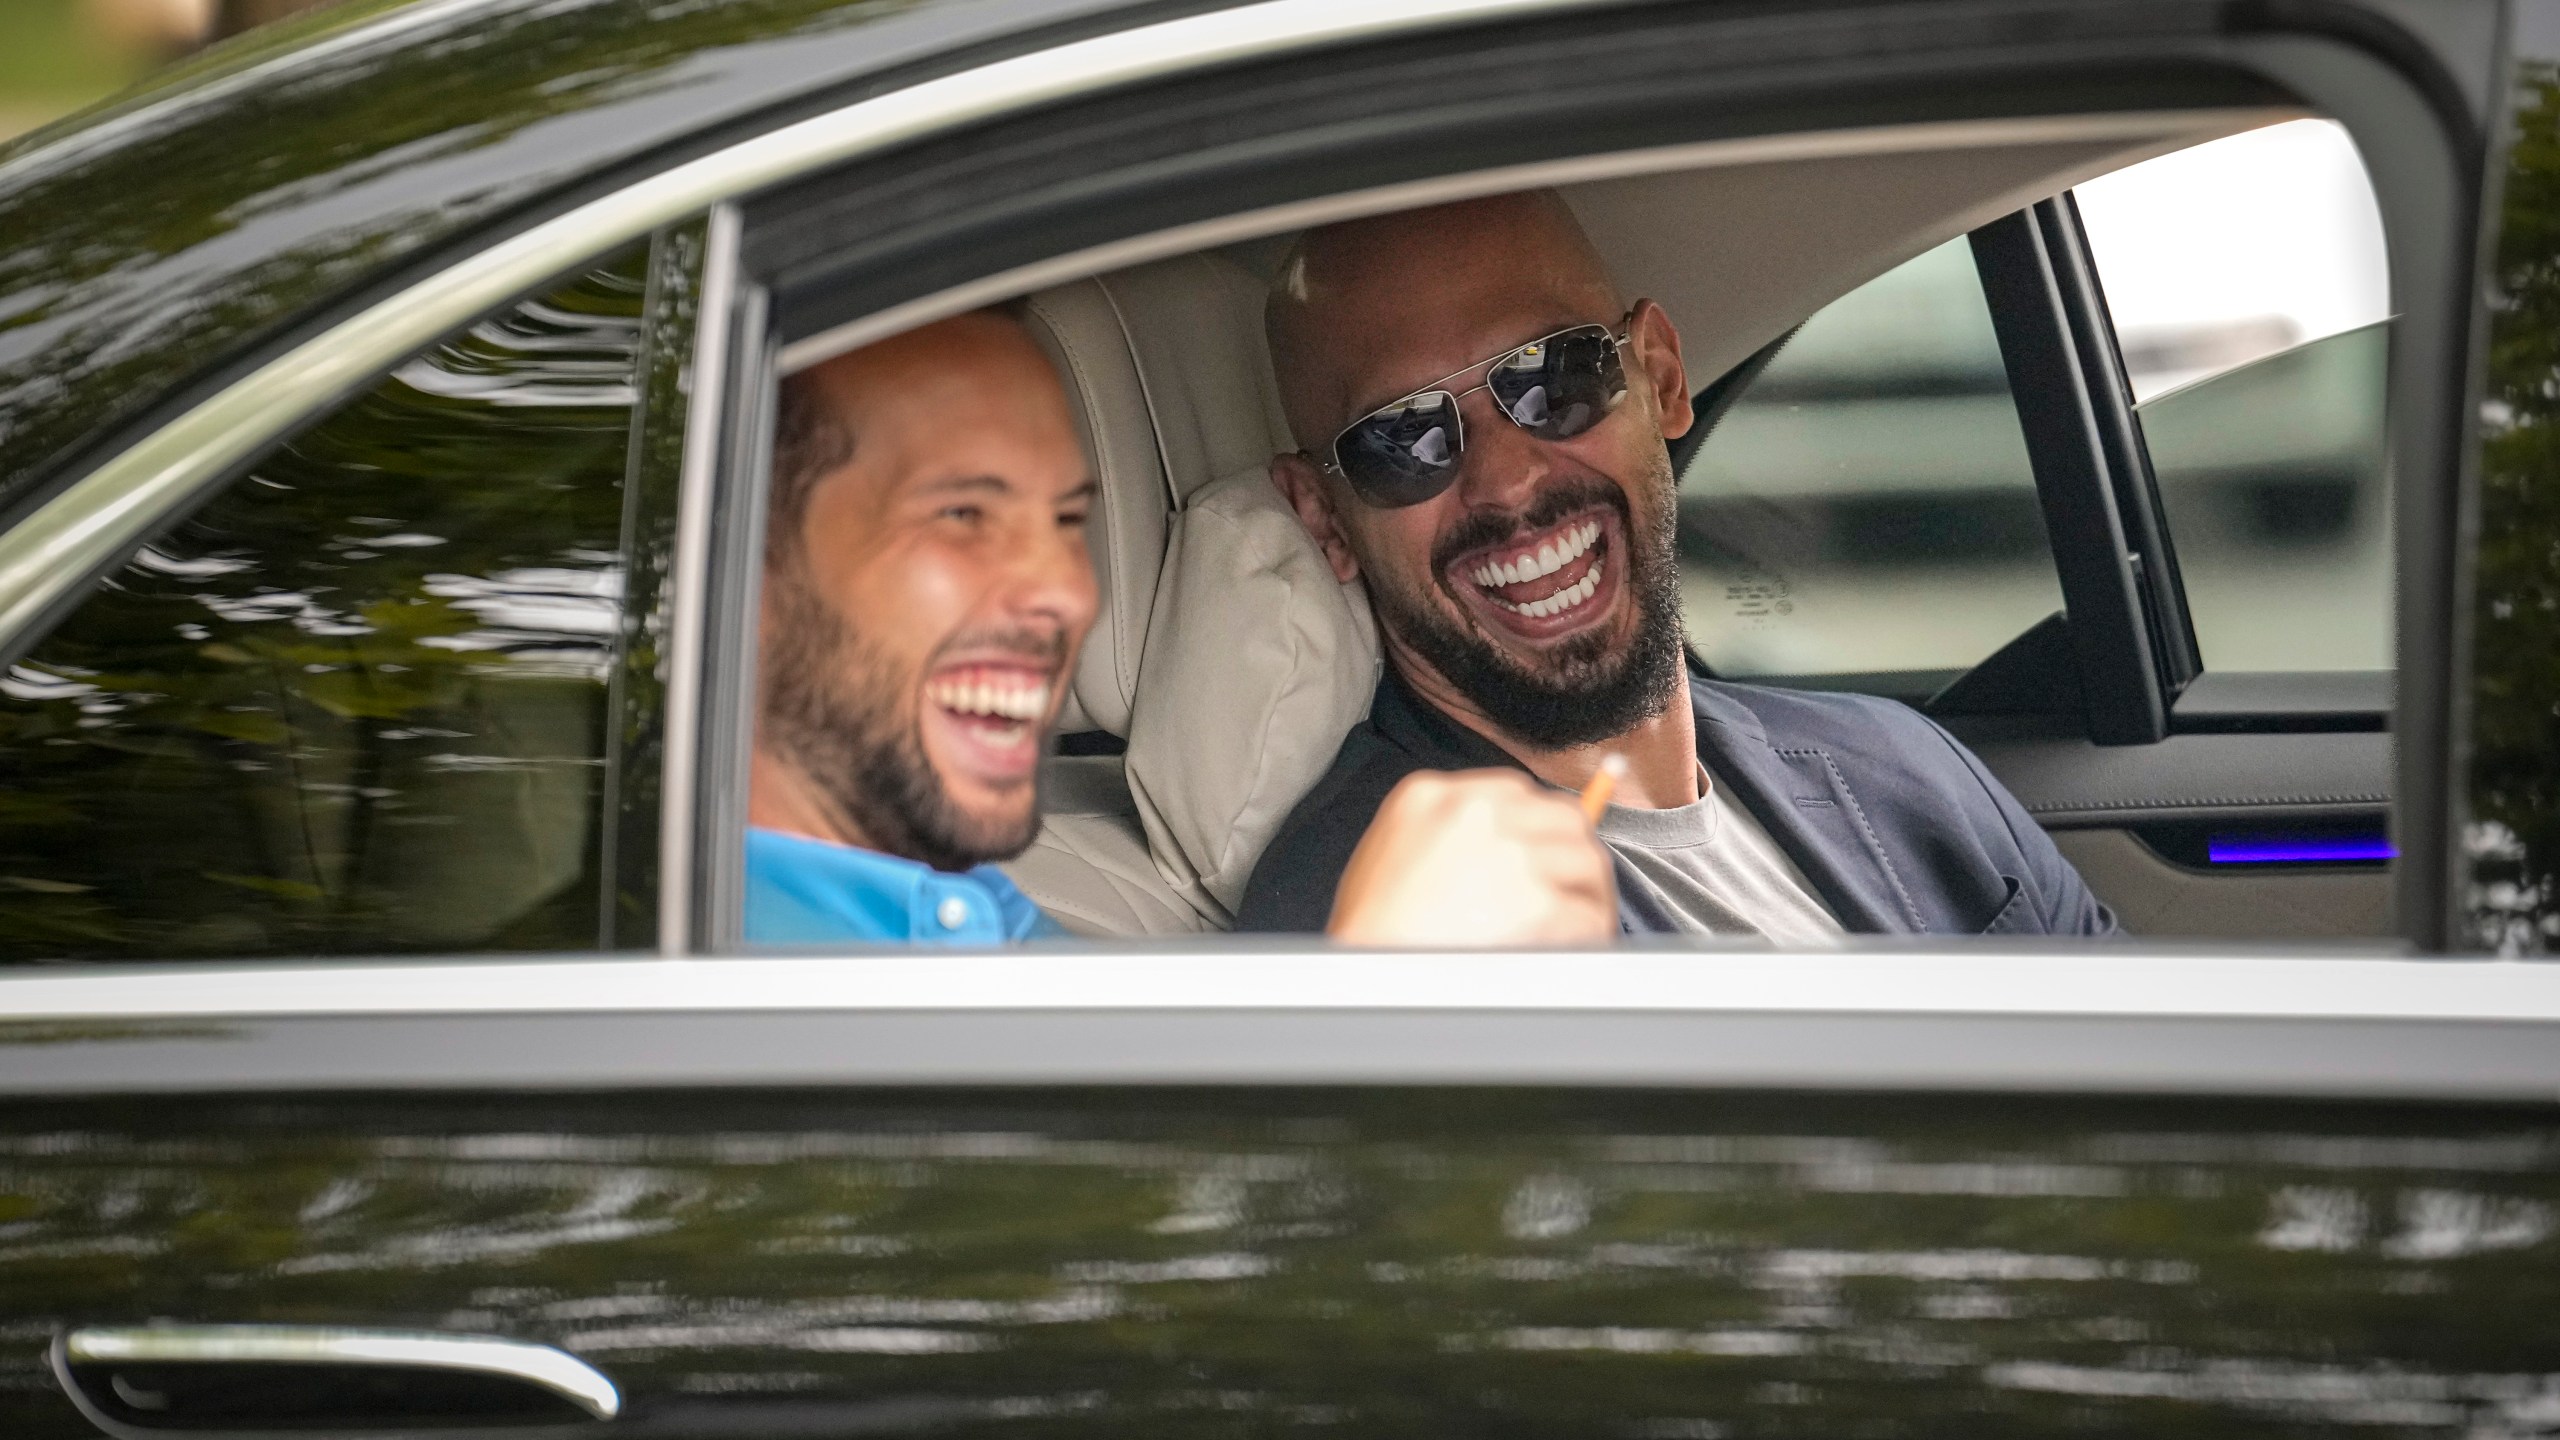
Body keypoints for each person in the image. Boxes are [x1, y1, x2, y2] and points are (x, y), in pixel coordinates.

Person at [1242, 191, 2115, 938]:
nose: (1506, 482)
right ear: (1324, 516)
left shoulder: (1903, 767)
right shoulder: (1374, 917)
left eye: (1554, 374)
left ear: (1660, 376)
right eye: (1404, 439)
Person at [747, 308, 1619, 946]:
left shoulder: (991, 926)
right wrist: (1367, 999)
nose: (1063, 591)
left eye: (1067, 524)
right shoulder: (693, 970)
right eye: (961, 516)